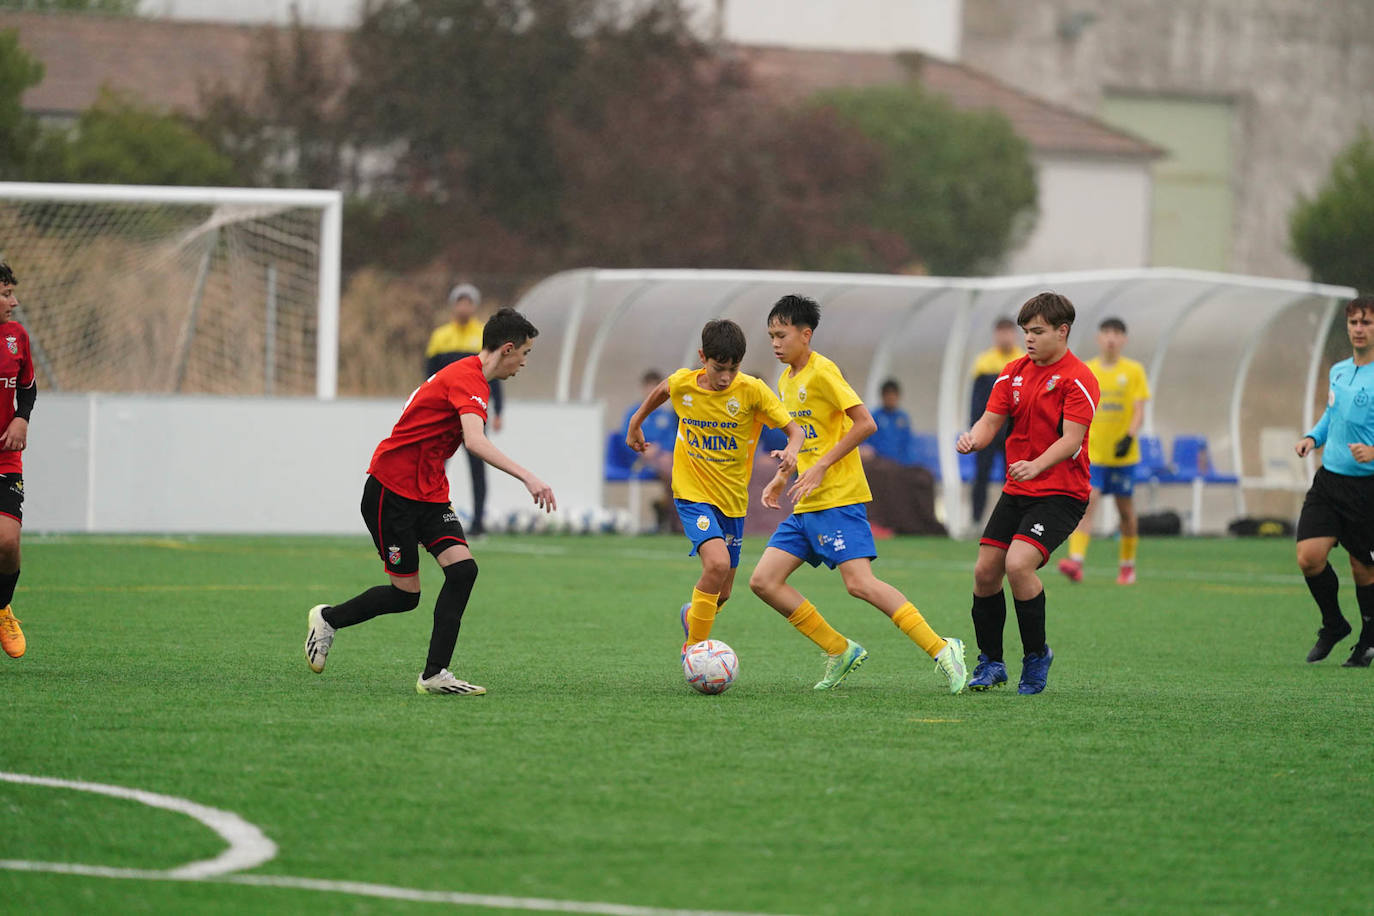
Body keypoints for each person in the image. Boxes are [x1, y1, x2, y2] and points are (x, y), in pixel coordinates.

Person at [306, 308, 556, 695]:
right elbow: (475, 441)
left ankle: (434, 675)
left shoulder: (469, 377)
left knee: (463, 571)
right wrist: (529, 477)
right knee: (406, 596)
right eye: (525, 353)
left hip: (430, 492)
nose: (524, 361)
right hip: (392, 491)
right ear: (507, 349)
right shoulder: (468, 378)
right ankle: (328, 618)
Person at [749, 295, 967, 693]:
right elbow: (805, 439)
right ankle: (839, 649)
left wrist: (820, 467)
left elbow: (865, 424)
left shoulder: (823, 371)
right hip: (807, 501)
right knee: (763, 581)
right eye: (770, 336)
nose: (775, 343)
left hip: (839, 499)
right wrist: (785, 474)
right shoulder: (786, 380)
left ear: (806, 334)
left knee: (860, 584)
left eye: (781, 335)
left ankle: (943, 648)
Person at [626, 320, 803, 652]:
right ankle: (693, 649)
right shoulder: (685, 383)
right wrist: (636, 423)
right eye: (719, 368)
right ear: (702, 357)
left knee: (722, 592)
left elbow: (795, 430)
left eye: (733, 370)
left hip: (732, 501)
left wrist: (792, 451)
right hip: (692, 494)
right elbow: (663, 390)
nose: (725, 377)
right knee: (717, 564)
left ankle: (693, 615)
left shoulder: (752, 391)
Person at [956, 292, 1099, 695]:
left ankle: (1036, 657)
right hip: (1019, 488)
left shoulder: (1079, 379)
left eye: (1038, 332)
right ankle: (992, 662)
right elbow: (989, 421)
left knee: (1019, 565)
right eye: (1026, 332)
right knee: (986, 572)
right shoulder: (1012, 372)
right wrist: (973, 439)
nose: (1029, 340)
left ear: (1062, 331)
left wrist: (1037, 464)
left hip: (1061, 493)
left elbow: (1072, 440)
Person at [1294, 296, 1374, 667]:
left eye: (1367, 323)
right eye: (1354, 322)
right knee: (1309, 557)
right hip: (1329, 483)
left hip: (1366, 489)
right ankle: (1334, 624)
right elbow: (1331, 414)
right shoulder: (1339, 370)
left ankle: (1368, 642)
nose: (1359, 329)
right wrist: (1313, 438)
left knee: (1362, 568)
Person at [1058, 317, 1151, 585]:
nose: (1111, 338)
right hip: (1094, 455)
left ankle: (1127, 565)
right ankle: (1075, 562)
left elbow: (1138, 409)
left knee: (1125, 512)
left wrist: (1129, 436)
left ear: (1124, 339)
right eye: (1107, 333)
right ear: (1099, 338)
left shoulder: (1133, 371)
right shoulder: (1087, 369)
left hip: (1123, 456)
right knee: (1088, 503)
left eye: (1117, 334)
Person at [425, 283, 502, 537]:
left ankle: (478, 523)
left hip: (473, 412)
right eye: (460, 302)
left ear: (474, 306)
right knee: (435, 467)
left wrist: (498, 410)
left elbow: (494, 374)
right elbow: (430, 379)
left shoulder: (483, 335)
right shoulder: (440, 337)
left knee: (478, 467)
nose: (464, 307)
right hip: (445, 416)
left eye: (468, 302)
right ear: (453, 305)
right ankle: (428, 518)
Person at [0, 262, 33, 661]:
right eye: (6, 294)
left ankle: (2, 608)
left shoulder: (16, 337)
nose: (15, 301)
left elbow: (28, 387)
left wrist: (22, 419)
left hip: (5, 456)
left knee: (7, 542)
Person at [969, 318, 1024, 524]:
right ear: (995, 335)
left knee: (1012, 477)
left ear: (1015, 334)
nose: (1004, 336)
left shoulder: (1023, 359)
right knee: (981, 475)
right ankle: (975, 520)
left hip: (1013, 429)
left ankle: (1010, 520)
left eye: (1008, 332)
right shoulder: (984, 362)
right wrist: (974, 428)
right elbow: (977, 399)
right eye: (1000, 332)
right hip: (989, 427)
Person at [862, 379, 914, 464]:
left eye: (893, 394)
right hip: (879, 463)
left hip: (900, 464)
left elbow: (908, 445)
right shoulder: (873, 417)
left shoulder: (903, 418)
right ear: (882, 396)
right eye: (888, 394)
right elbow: (866, 444)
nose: (891, 397)